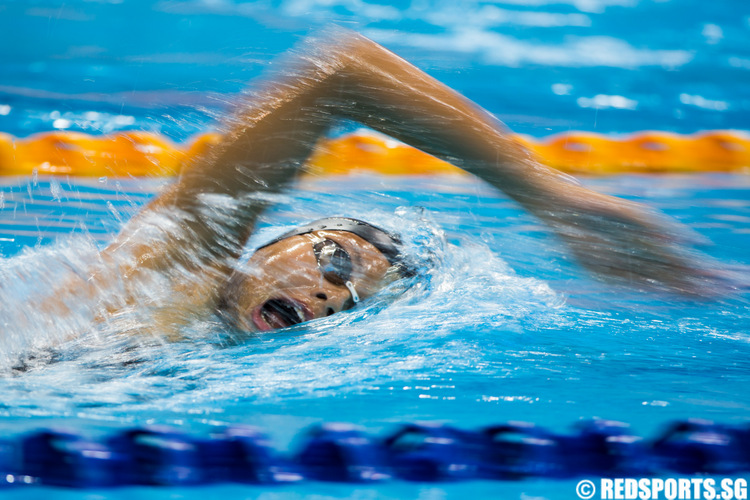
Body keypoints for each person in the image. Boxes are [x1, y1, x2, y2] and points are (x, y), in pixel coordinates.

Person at [50, 29, 717, 340]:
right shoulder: (169, 271)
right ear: (265, 243)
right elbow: (341, 73)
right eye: (335, 260)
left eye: (348, 301)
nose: (327, 295)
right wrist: (549, 198)